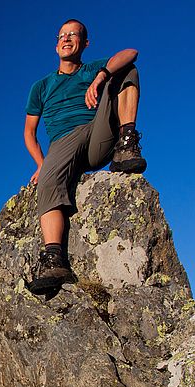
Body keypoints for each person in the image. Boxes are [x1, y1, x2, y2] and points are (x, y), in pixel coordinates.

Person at [24, 19, 145, 293]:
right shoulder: (41, 86)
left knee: (126, 70)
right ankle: (55, 258)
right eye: (62, 36)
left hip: (98, 134)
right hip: (64, 140)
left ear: (85, 43)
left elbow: (131, 52)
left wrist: (101, 76)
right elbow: (29, 133)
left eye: (74, 35)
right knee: (49, 182)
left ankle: (126, 143)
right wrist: (42, 165)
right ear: (56, 45)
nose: (67, 39)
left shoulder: (92, 69)